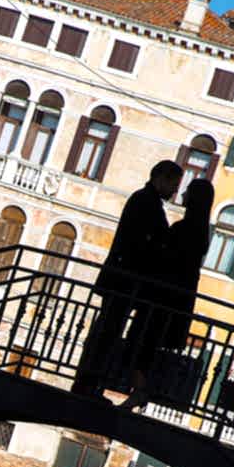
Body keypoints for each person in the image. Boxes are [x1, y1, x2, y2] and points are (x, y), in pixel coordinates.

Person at [70, 160, 183, 399]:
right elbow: (142, 244)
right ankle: (88, 384)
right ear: (160, 178)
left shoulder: (144, 200)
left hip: (123, 280)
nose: (175, 191)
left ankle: (89, 383)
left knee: (107, 331)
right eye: (173, 184)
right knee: (107, 332)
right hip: (125, 282)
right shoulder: (146, 203)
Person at [120, 178, 214, 410]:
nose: (182, 195)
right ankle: (140, 391)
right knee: (147, 343)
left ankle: (140, 391)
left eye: (188, 192)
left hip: (162, 298)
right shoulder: (202, 231)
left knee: (141, 341)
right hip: (177, 298)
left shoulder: (184, 229)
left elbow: (165, 258)